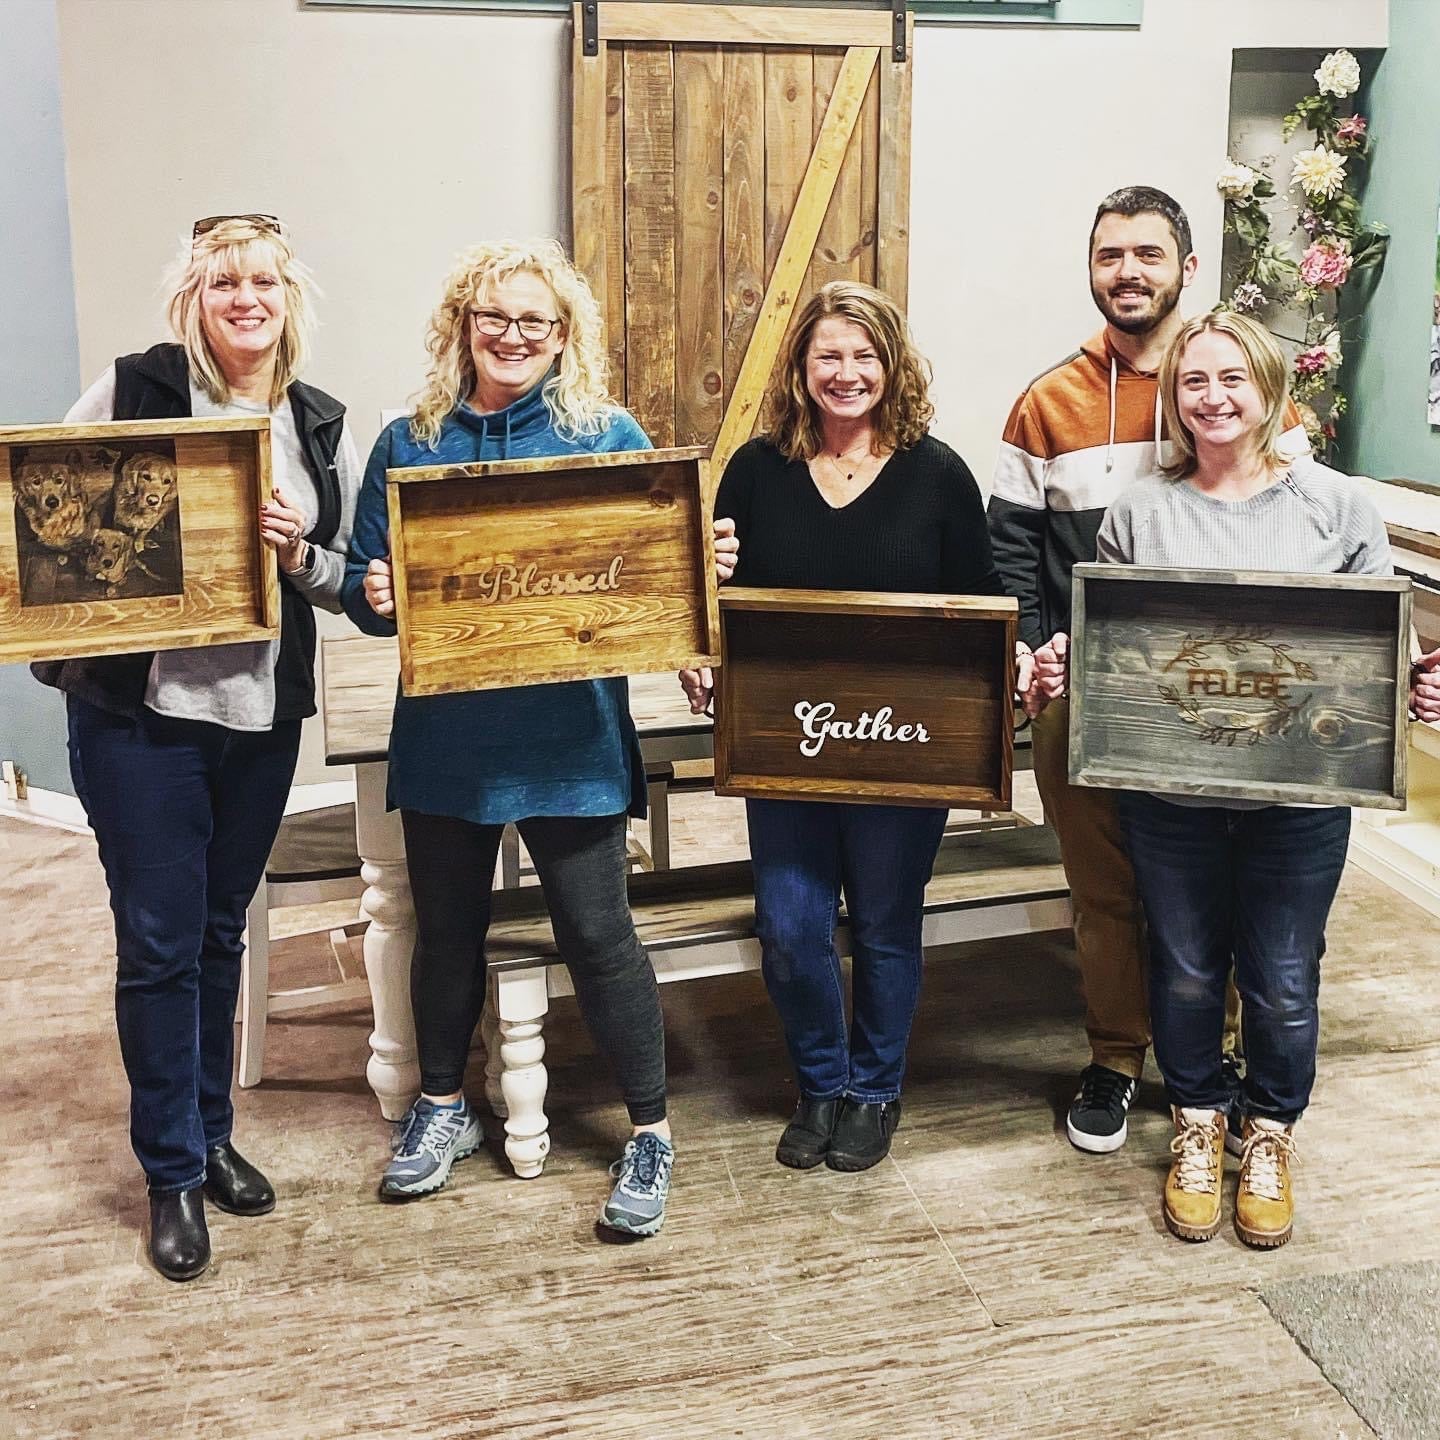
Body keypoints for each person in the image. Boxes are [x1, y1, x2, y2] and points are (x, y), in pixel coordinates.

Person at [343, 239, 736, 1237]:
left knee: (600, 936)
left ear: (565, 337)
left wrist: (702, 562)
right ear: (461, 326)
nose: (512, 335)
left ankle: (650, 1131)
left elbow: (658, 576)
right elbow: (364, 588)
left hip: (570, 733)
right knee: (445, 933)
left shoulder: (606, 437)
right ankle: (441, 1108)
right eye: (493, 316)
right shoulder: (410, 441)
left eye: (535, 321)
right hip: (448, 732)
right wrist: (375, 592)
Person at [1030, 309, 1440, 1247]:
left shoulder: (1338, 509)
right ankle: (1200, 1122)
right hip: (1169, 798)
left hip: (1296, 808)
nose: (1211, 400)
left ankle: (1268, 1131)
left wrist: (1421, 683)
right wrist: (1063, 663)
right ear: (1172, 401)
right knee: (1181, 970)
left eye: (1230, 380)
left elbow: (1386, 657)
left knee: (1284, 978)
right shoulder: (1141, 510)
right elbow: (1113, 653)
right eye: (1191, 384)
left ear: (1269, 391)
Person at [33, 215, 362, 1281]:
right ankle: (170, 1171)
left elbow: (341, 572)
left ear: (288, 297)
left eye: (263, 281)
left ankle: (214, 1132)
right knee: (162, 943)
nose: (246, 299)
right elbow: (55, 532)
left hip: (258, 723)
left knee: (222, 929)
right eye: (224, 283)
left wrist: (294, 549)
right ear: (196, 297)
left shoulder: (313, 420)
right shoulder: (132, 391)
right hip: (144, 723)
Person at [987, 186, 1312, 1156]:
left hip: (1215, 696)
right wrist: (1033, 649)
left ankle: (1203, 1067)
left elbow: (1301, 531)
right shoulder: (1046, 401)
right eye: (1109, 255)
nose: (1127, 272)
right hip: (1080, 691)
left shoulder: (1238, 390)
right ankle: (1117, 1054)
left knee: (1205, 883)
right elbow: (1011, 549)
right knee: (1105, 889)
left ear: (1187, 266)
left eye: (1147, 254)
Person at [681, 280, 1021, 1172]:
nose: (847, 372)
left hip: (905, 749)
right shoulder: (756, 470)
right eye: (828, 355)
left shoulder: (937, 472)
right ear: (800, 367)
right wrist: (700, 645)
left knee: (882, 922)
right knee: (789, 924)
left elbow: (984, 602)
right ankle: (819, 1084)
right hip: (784, 746)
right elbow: (713, 595)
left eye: (865, 355)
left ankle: (874, 1091)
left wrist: (1012, 669)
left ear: (893, 366)